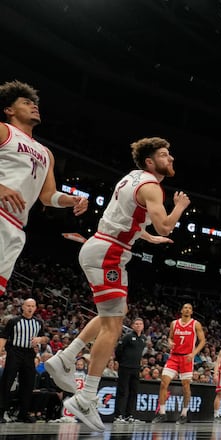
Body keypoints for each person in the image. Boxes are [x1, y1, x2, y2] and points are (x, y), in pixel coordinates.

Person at [45, 137, 191, 432]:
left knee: (111, 314)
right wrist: (179, 207)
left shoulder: (131, 179)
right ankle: (85, 397)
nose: (171, 158)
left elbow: (129, 217)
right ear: (150, 161)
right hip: (109, 254)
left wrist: (149, 238)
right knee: (114, 325)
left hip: (103, 247)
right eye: (165, 155)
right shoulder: (152, 186)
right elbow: (164, 223)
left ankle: (66, 357)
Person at [0, 80, 88, 297]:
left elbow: (47, 196)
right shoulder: (4, 131)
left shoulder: (46, 152)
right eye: (26, 102)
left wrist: (71, 200)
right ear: (9, 110)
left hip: (16, 226)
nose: (34, 106)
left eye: (35, 103)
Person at [152, 303, 206, 424]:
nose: (187, 309)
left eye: (190, 308)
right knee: (163, 383)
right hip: (174, 357)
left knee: (186, 387)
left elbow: (203, 341)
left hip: (187, 358)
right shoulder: (174, 323)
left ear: (191, 312)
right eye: (185, 308)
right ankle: (162, 413)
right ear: (181, 310)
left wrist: (193, 354)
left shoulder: (195, 324)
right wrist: (170, 342)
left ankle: (184, 414)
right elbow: (170, 337)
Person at [0, 298, 48, 423]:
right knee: (7, 382)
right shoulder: (13, 321)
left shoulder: (39, 322)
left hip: (29, 355)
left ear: (36, 308)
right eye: (28, 305)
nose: (30, 308)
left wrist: (40, 340)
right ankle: (0, 412)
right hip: (14, 353)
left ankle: (23, 413)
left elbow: (44, 338)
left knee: (28, 384)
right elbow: (4, 337)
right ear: (23, 307)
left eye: (32, 305)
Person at [113, 318, 147, 424]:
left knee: (133, 392)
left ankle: (129, 415)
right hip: (125, 367)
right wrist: (120, 361)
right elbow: (118, 350)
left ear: (143, 326)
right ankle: (118, 416)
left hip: (136, 368)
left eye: (140, 324)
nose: (138, 325)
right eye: (136, 324)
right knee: (122, 391)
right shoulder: (127, 336)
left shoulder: (143, 339)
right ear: (132, 326)